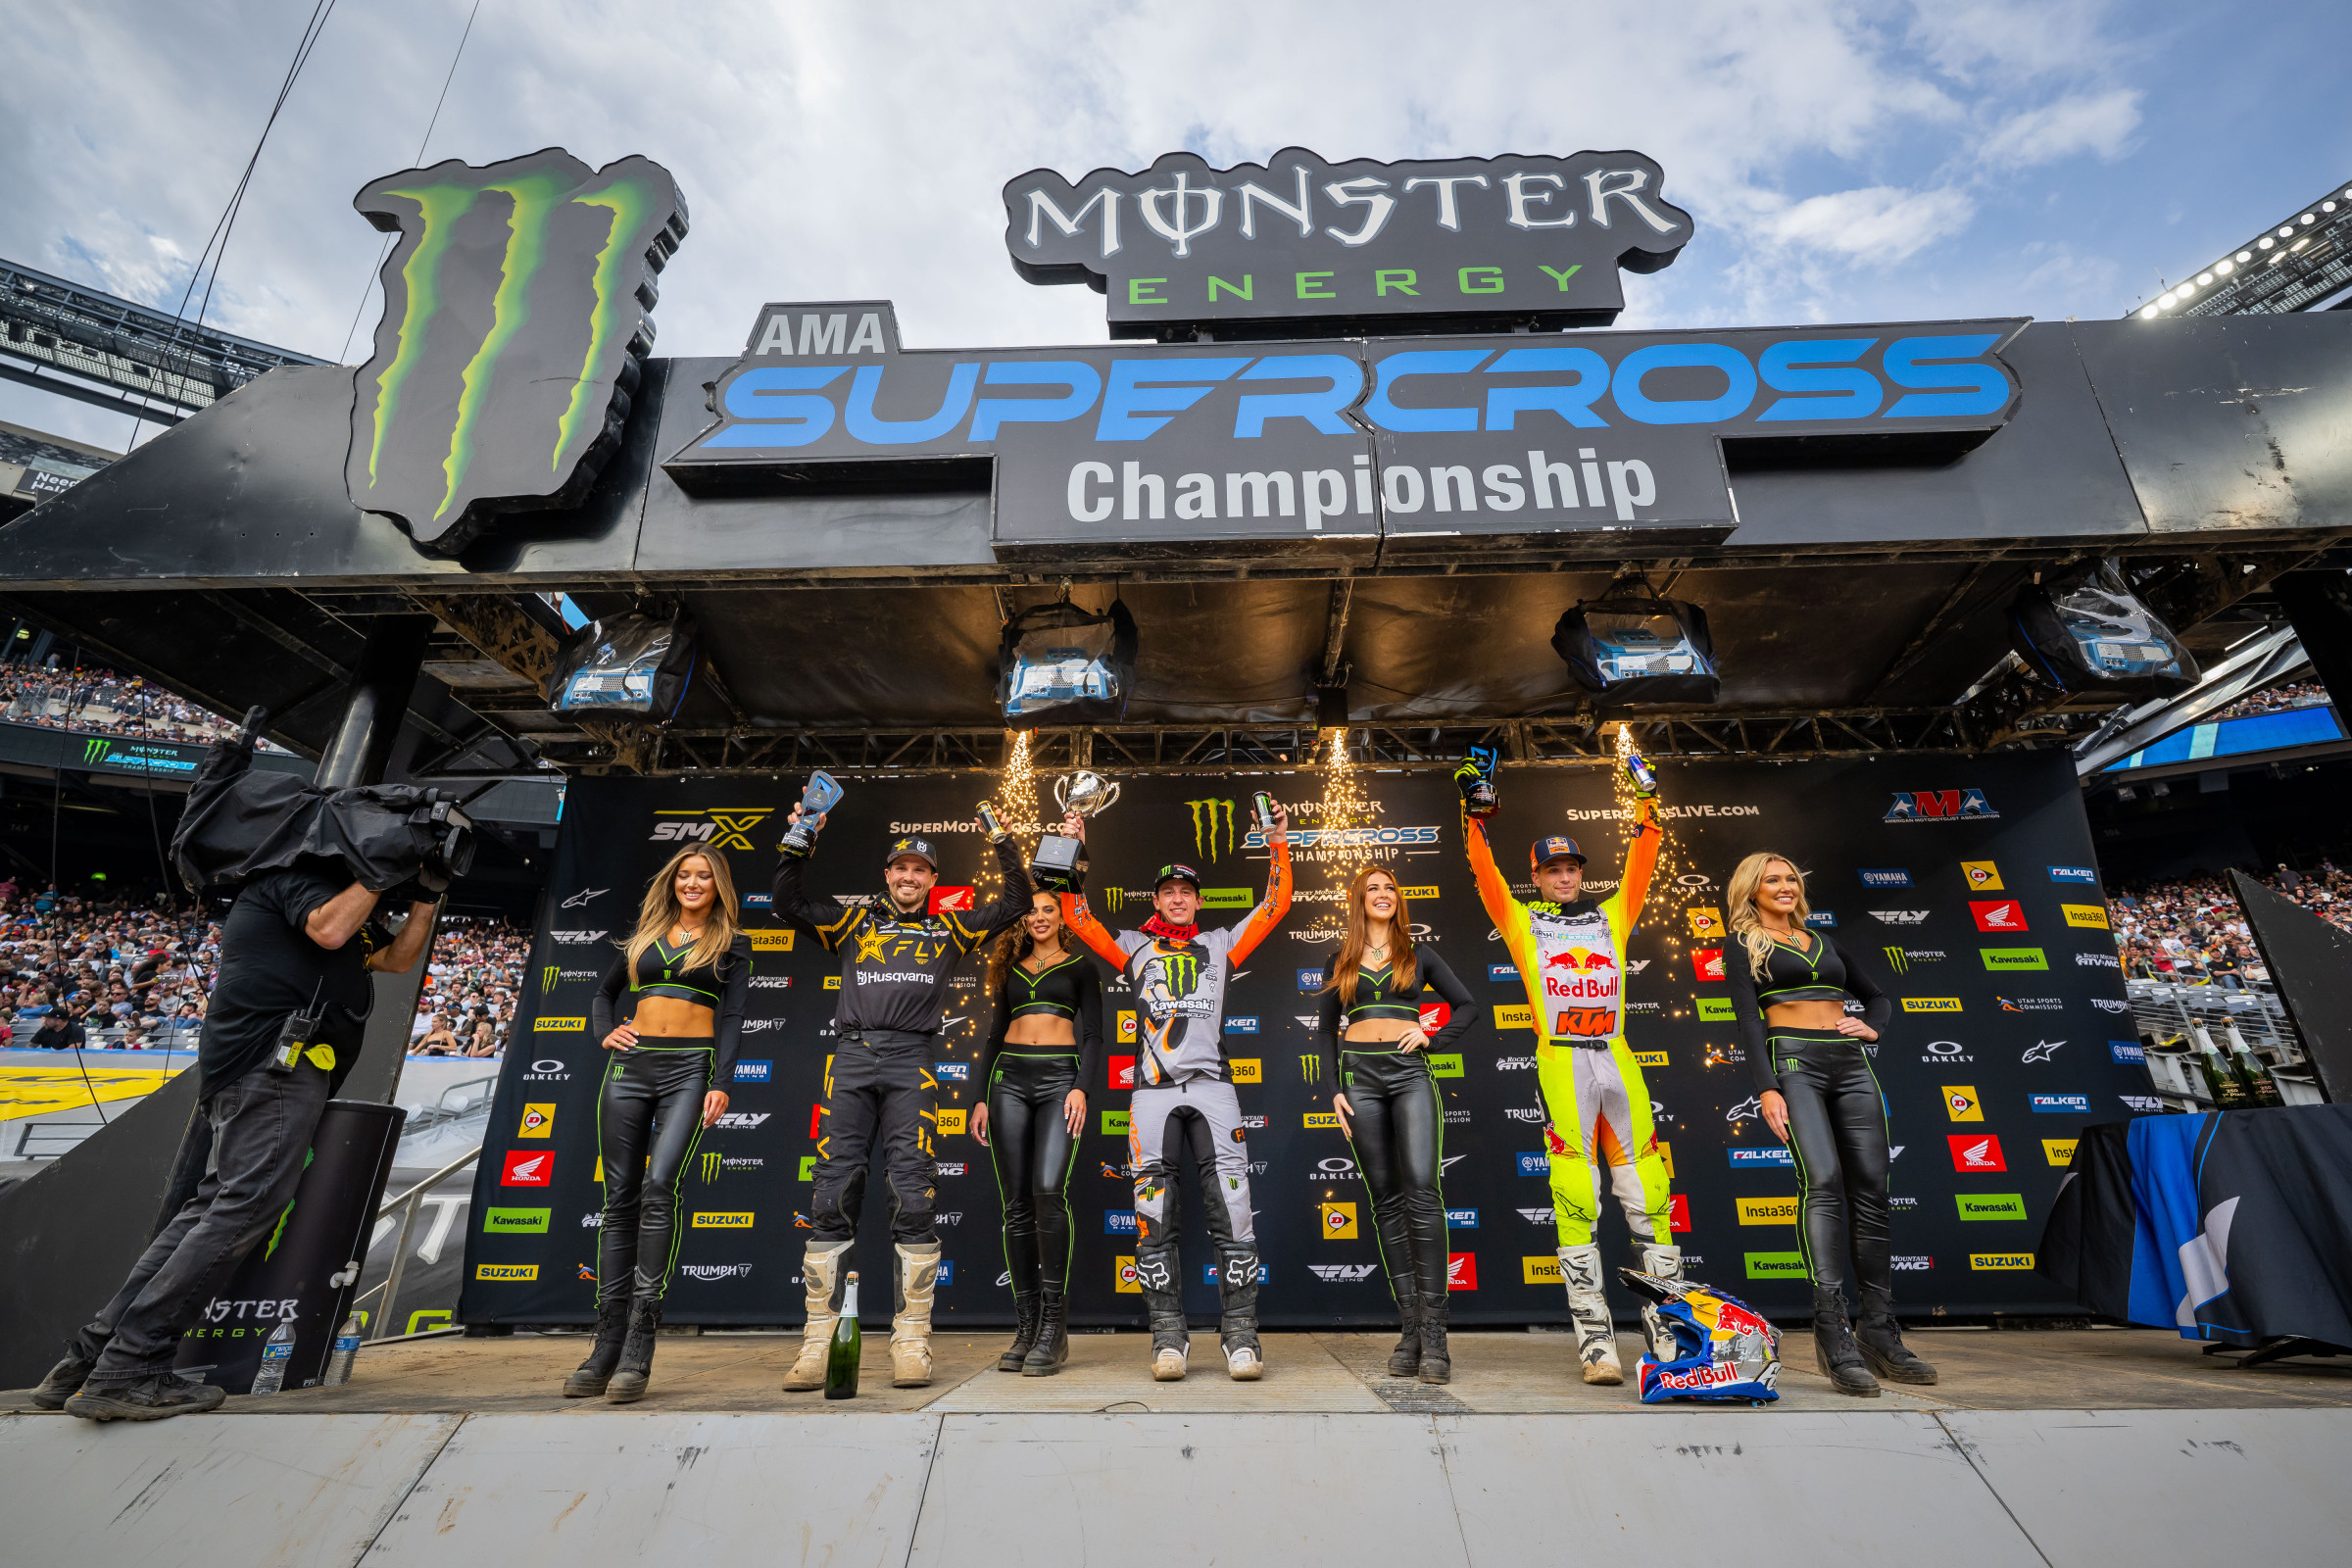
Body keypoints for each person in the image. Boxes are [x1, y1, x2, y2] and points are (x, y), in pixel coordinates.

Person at [38, 867, 440, 1420]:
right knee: (247, 1201)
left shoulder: (342, 905)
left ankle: (89, 1359)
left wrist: (426, 898)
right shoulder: (294, 880)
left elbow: (394, 959)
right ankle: (130, 1365)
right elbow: (329, 932)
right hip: (271, 1066)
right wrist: (380, 870)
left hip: (269, 1068)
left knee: (211, 1205)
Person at [772, 811, 1031, 1390]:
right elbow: (787, 903)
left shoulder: (950, 928)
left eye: (919, 869)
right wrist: (801, 838)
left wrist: (1002, 840)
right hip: (852, 1057)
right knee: (833, 1187)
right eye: (900, 868)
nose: (908, 876)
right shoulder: (854, 922)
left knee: (912, 1191)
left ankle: (912, 1340)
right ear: (887, 876)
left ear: (932, 878)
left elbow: (1016, 902)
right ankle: (817, 1343)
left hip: (913, 1059)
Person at [1457, 749, 1680, 1385]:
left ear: (1581, 872)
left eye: (1571, 867)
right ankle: (1596, 1344)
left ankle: (1669, 1337)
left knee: (1650, 1193)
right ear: (1538, 875)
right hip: (1561, 1061)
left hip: (1617, 1055)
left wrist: (1647, 801)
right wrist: (1473, 819)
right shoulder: (1524, 923)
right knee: (1575, 1193)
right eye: (1552, 869)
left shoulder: (1614, 914)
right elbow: (1485, 879)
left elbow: (1644, 856)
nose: (1563, 876)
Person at [1060, 800, 1292, 1382]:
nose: (1178, 898)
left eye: (1187, 890)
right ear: (1156, 900)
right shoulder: (1133, 945)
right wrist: (1073, 846)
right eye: (1168, 891)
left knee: (1233, 1212)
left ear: (1199, 900)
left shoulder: (1220, 943)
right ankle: (1168, 1338)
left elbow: (1275, 905)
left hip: (1213, 1088)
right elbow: (1076, 913)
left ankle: (1241, 1338)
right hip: (1153, 1094)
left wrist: (1279, 842)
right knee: (1153, 1215)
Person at [1726, 852, 1936, 1396]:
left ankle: (1879, 1331)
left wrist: (1873, 1027)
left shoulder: (1824, 941)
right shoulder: (1744, 945)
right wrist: (1767, 1087)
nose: (1785, 886)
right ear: (1752, 891)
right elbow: (1749, 1018)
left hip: (1850, 1064)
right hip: (1793, 1063)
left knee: (1872, 1189)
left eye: (1791, 877)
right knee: (1822, 1180)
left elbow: (1878, 997)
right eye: (1772, 879)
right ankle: (1832, 1330)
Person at [569, 847, 751, 1403]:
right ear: (672, 883)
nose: (692, 884)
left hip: (689, 1071)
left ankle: (639, 1346)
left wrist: (721, 1081)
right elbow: (603, 994)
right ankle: (606, 1344)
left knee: (658, 1187)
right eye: (684, 876)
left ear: (719, 885)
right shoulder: (644, 937)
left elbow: (735, 1017)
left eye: (704, 876)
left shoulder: (732, 945)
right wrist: (606, 1032)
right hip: (628, 1069)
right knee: (619, 1197)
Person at [1320, 864, 1478, 1383]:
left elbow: (1467, 1006)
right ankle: (1410, 1328)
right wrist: (1334, 1091)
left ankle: (1435, 1334)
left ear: (1399, 900)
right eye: (1373, 888)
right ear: (1359, 900)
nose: (1383, 894)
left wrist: (1432, 1037)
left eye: (1390, 888)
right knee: (1385, 1197)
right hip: (1359, 1080)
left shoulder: (1419, 954)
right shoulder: (1340, 959)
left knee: (1422, 1192)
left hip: (1409, 1076)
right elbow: (1324, 1034)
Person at [973, 890, 1103, 1376]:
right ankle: (1027, 1327)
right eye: (1031, 910)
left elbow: (1094, 1036)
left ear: (1061, 915)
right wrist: (980, 1096)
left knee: (1048, 1191)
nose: (1040, 916)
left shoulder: (1081, 966)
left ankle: (1054, 1329)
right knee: (1016, 1203)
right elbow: (993, 1033)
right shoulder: (1009, 968)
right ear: (1021, 919)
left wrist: (1081, 1089)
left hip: (1058, 1081)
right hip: (1009, 1079)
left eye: (1049, 908)